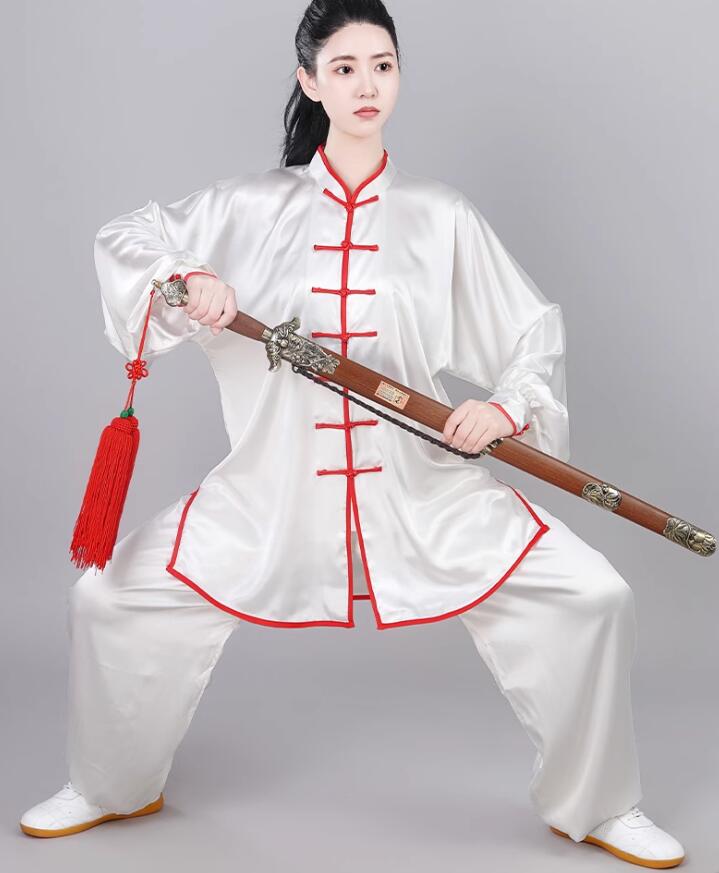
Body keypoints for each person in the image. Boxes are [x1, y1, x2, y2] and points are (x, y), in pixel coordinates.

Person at [20, 1, 686, 867]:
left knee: (592, 595)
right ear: (309, 81)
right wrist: (183, 276)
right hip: (269, 491)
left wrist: (504, 408)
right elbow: (126, 237)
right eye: (343, 68)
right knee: (108, 600)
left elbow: (532, 332)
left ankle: (599, 803)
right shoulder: (247, 206)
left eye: (382, 65)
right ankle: (112, 784)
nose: (366, 85)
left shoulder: (441, 215)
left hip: (424, 489)